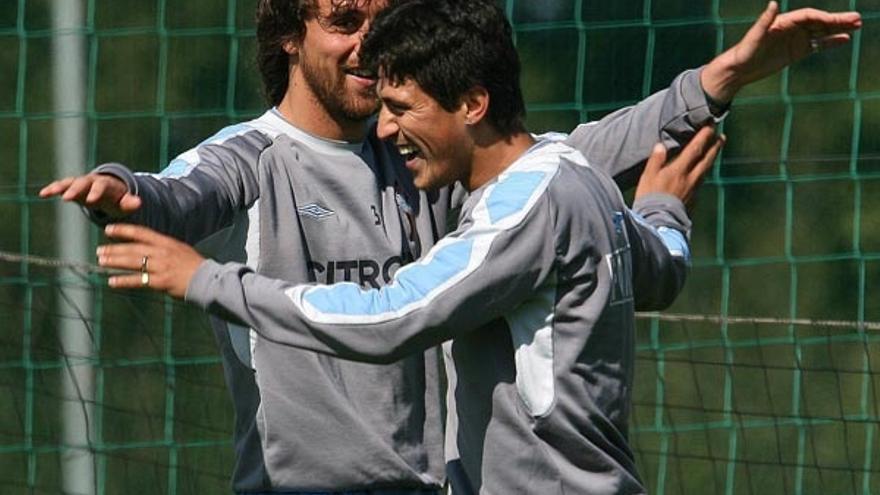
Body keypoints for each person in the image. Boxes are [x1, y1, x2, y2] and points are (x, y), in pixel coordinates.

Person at [39, 0, 861, 492]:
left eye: (378, 18)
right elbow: (183, 192)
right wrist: (128, 190)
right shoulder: (254, 155)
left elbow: (559, 168)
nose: (365, 40)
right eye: (341, 20)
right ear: (290, 34)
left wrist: (714, 83)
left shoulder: (434, 166)